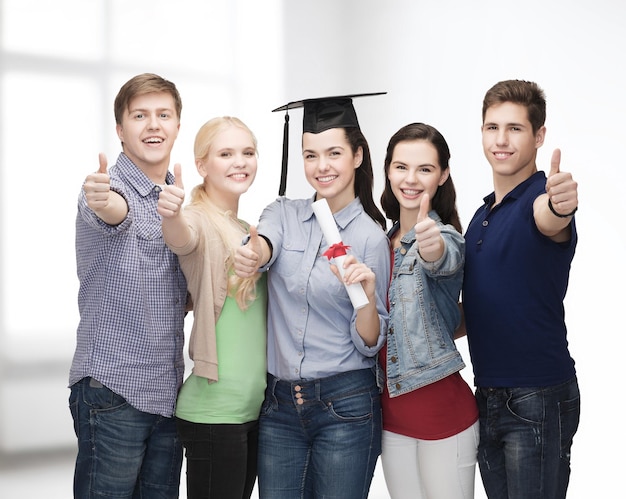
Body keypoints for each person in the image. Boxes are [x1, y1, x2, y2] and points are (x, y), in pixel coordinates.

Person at [234, 93, 390, 499]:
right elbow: (265, 245)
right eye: (310, 155)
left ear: (357, 156)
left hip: (346, 405)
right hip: (280, 407)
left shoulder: (370, 238)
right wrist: (254, 254)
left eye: (334, 153)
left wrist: (367, 299)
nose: (321, 167)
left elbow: (370, 342)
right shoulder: (283, 213)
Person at [69, 73, 187, 498]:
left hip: (168, 394)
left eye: (163, 115)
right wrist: (104, 202)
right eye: (140, 115)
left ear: (177, 125)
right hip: (113, 391)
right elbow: (111, 211)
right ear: (120, 129)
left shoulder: (176, 197)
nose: (153, 125)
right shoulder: (106, 187)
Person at [461, 79, 580, 499]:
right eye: (492, 127)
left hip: (537, 396)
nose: (501, 140)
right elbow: (474, 309)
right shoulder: (479, 217)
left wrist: (561, 203)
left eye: (515, 128)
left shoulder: (539, 200)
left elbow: (551, 217)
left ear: (539, 136)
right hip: (487, 393)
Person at [157, 116, 267, 499]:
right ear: (202, 165)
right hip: (214, 413)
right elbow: (183, 239)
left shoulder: (246, 227)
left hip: (251, 411)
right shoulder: (198, 219)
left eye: (247, 152)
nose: (240, 162)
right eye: (226, 153)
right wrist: (170, 215)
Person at [379, 122, 479, 499]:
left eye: (425, 169)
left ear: (443, 175)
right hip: (392, 420)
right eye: (401, 167)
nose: (411, 179)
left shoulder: (445, 235)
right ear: (388, 170)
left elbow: (444, 259)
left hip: (444, 416)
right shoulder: (378, 241)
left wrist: (430, 244)